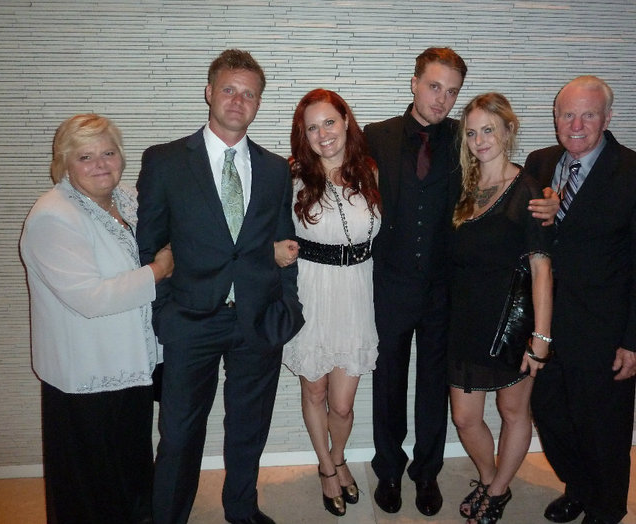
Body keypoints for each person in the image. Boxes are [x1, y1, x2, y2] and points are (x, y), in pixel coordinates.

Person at [136, 49, 304, 524]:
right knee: (179, 434)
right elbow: (149, 244)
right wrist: (164, 311)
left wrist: (286, 304)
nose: (237, 100)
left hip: (257, 318)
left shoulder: (274, 169)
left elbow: (283, 242)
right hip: (190, 320)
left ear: (258, 103)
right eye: (229, 89)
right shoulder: (166, 161)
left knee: (249, 429)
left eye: (249, 94)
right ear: (209, 92)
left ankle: (241, 510)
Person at [524, 76, 636, 524]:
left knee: (603, 429)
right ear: (555, 118)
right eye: (567, 114)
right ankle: (579, 488)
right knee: (550, 415)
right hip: (546, 325)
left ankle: (607, 508)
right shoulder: (538, 163)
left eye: (588, 114)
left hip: (605, 332)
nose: (577, 125)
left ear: (608, 118)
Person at [20, 113, 174, 524]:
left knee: (130, 466)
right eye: (85, 157)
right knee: (90, 483)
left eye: (108, 153)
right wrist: (158, 271)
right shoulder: (54, 215)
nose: (100, 165)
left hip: (132, 362)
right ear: (65, 164)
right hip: (87, 372)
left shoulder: (126, 198)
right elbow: (89, 298)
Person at [364, 46, 467, 516]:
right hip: (389, 285)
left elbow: (497, 179)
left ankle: (427, 472)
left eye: (452, 92)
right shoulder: (376, 135)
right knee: (388, 384)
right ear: (414, 83)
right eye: (434, 86)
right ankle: (388, 468)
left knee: (433, 386)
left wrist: (541, 196)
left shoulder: (466, 138)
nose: (442, 99)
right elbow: (334, 171)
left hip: (443, 288)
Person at [447, 93, 554, 524]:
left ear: (508, 130)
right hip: (464, 320)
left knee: (513, 412)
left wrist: (541, 339)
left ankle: (496, 492)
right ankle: (493, 479)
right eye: (472, 133)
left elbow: (542, 270)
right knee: (464, 418)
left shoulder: (528, 191)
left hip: (512, 323)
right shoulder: (464, 186)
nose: (479, 141)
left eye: (488, 130)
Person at [276, 89, 381, 517]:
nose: (323, 134)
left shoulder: (370, 171)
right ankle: (326, 467)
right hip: (312, 291)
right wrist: (273, 251)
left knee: (342, 403)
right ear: (303, 135)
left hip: (356, 292)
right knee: (315, 390)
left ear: (346, 121)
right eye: (312, 128)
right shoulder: (292, 177)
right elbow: (261, 230)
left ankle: (339, 457)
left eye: (329, 122)